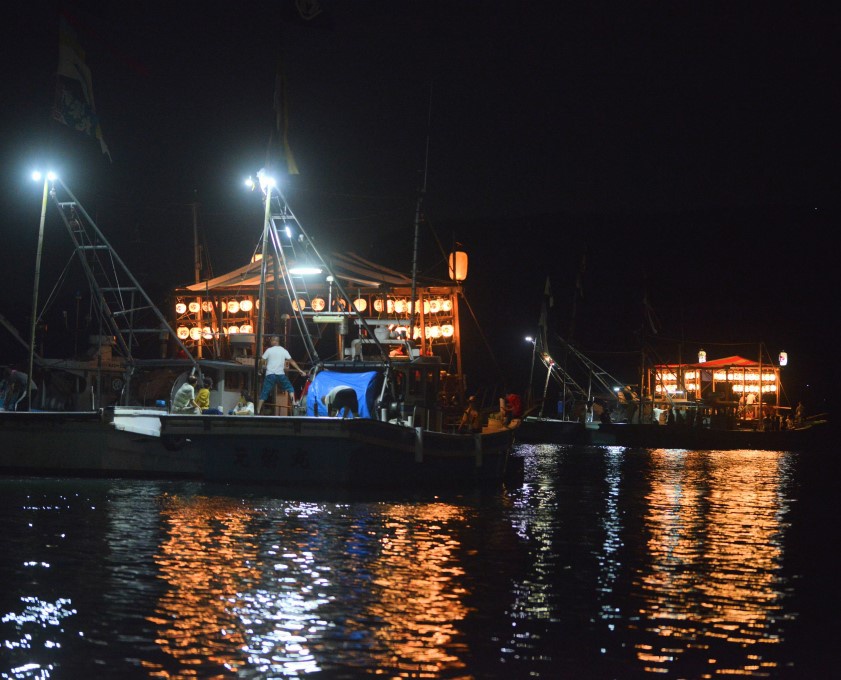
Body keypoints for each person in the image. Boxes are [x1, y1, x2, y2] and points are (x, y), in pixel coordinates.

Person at [256, 336, 307, 414]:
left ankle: (258, 410)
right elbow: (291, 361)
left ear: (275, 341)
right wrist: (300, 370)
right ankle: (293, 403)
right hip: (280, 375)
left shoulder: (269, 350)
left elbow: (262, 360)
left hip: (270, 375)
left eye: (272, 340)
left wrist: (260, 370)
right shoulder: (284, 351)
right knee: (290, 388)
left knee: (264, 392)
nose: (270, 342)